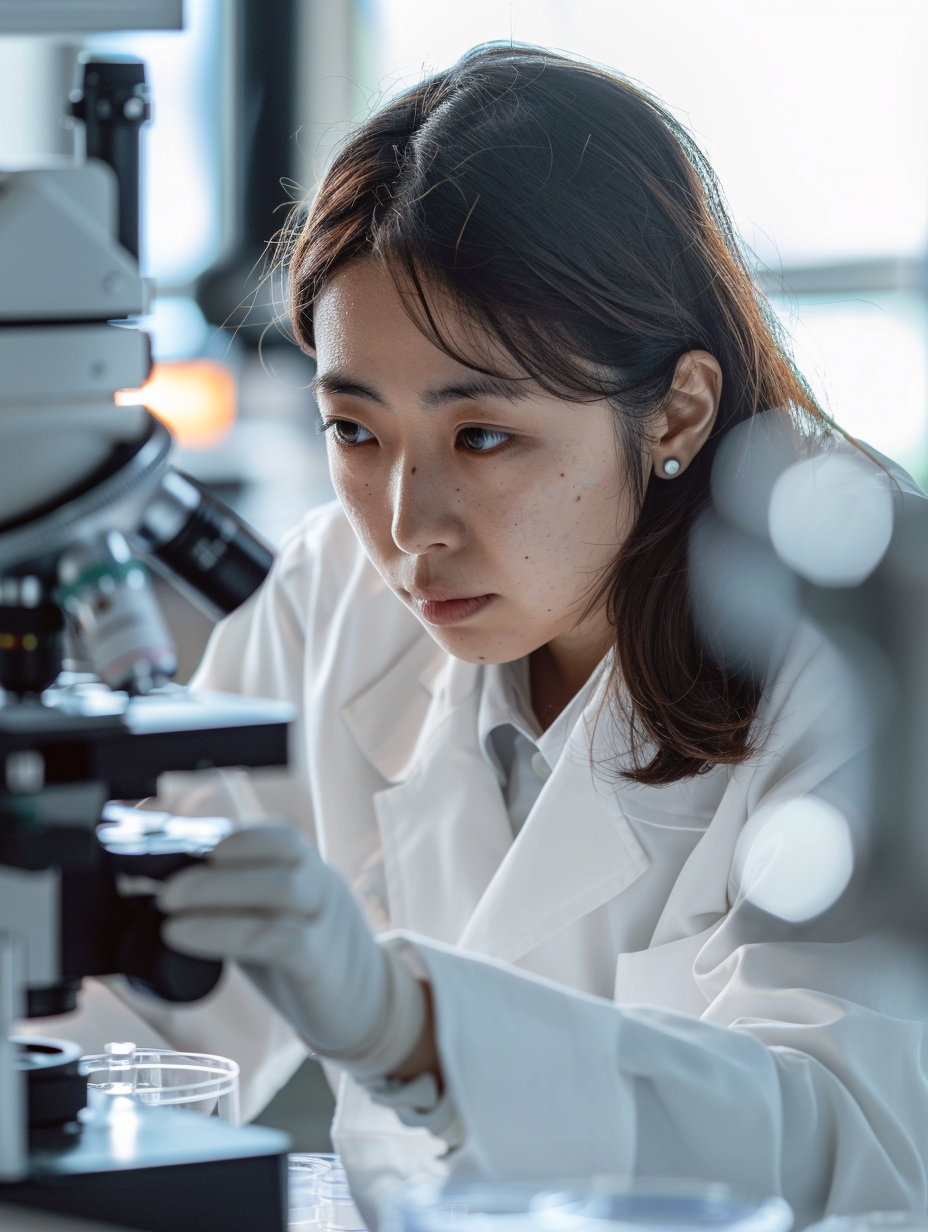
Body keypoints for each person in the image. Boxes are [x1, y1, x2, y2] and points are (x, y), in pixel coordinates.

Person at [30, 44, 928, 1227]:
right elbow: (133, 1025)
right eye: (355, 429)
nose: (407, 527)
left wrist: (411, 1026)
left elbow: (857, 1149)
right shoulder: (335, 591)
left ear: (677, 407)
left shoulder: (864, 627)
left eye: (483, 436)